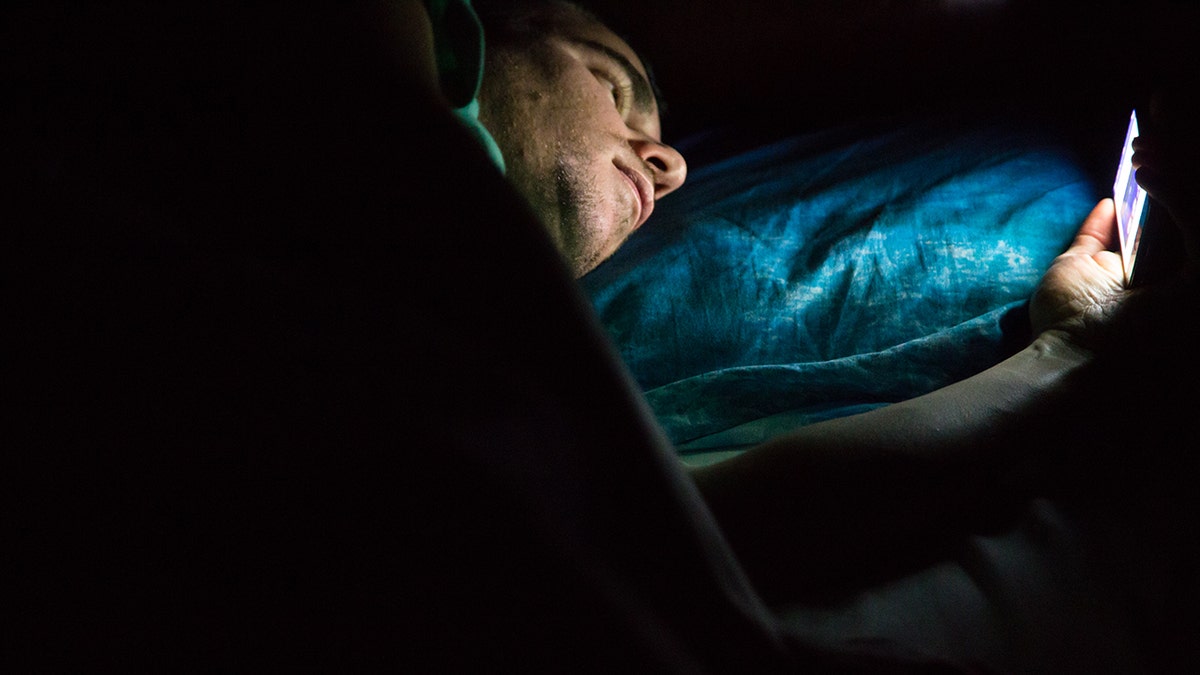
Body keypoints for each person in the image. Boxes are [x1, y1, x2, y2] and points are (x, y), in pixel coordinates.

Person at [6, 0, 1197, 670]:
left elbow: (695, 532)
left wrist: (1066, 351)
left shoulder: (482, 359)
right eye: (616, 82)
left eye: (667, 145)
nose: (668, 162)